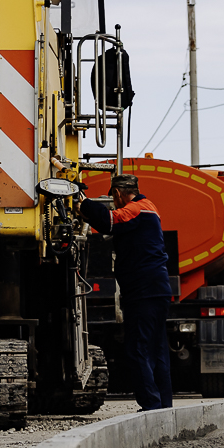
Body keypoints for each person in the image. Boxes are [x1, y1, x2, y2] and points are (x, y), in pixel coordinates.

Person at [78, 173, 173, 410]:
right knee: (157, 349)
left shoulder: (136, 209)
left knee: (137, 349)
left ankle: (151, 405)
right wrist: (86, 210)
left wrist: (82, 202)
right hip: (156, 289)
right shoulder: (149, 206)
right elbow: (109, 223)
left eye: (113, 196)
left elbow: (110, 220)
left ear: (118, 194)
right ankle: (163, 405)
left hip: (144, 291)